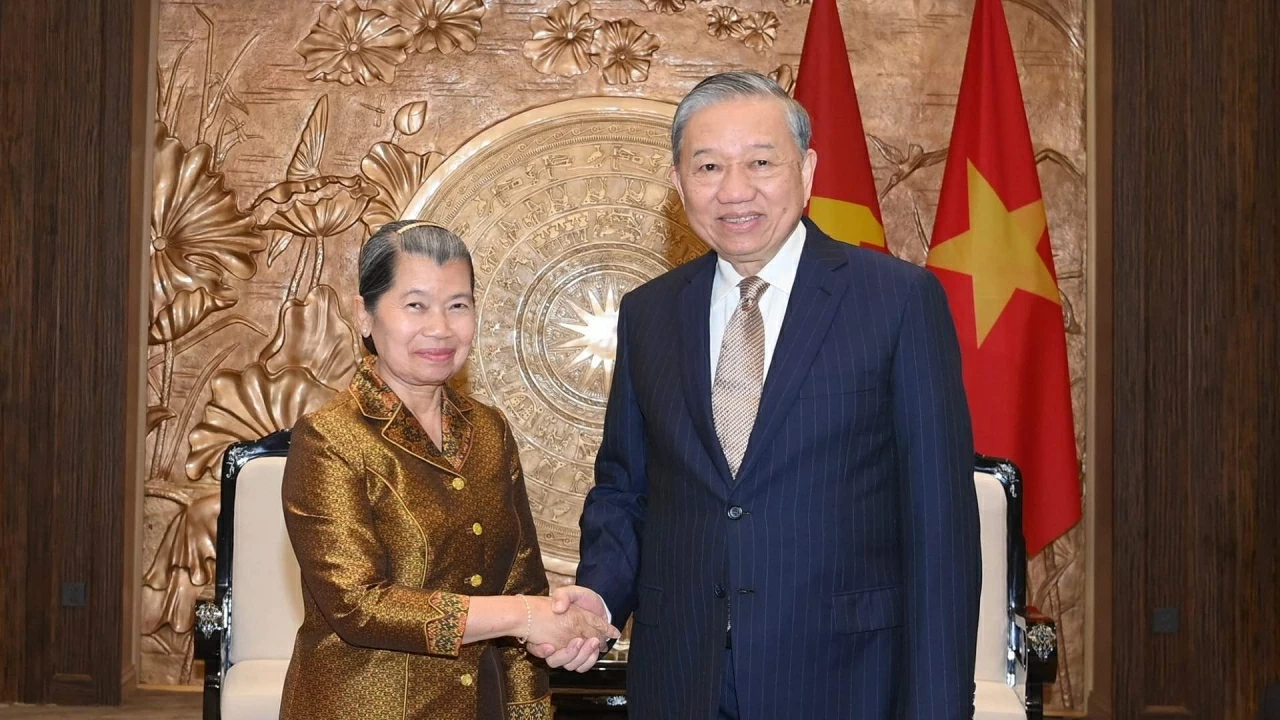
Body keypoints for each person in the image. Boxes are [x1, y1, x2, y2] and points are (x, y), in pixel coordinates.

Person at [534, 72, 982, 719]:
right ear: (678, 181)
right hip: (680, 680)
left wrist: (938, 708)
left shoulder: (897, 302)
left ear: (806, 169)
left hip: (845, 681)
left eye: (761, 163)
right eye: (709, 165)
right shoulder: (650, 314)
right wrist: (599, 596)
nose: (735, 190)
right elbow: (625, 490)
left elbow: (939, 528)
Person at [280, 220, 619, 720]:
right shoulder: (329, 437)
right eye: (415, 305)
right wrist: (526, 616)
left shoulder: (489, 429)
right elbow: (359, 607)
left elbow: (521, 582)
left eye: (458, 305)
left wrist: (531, 702)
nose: (440, 328)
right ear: (365, 315)